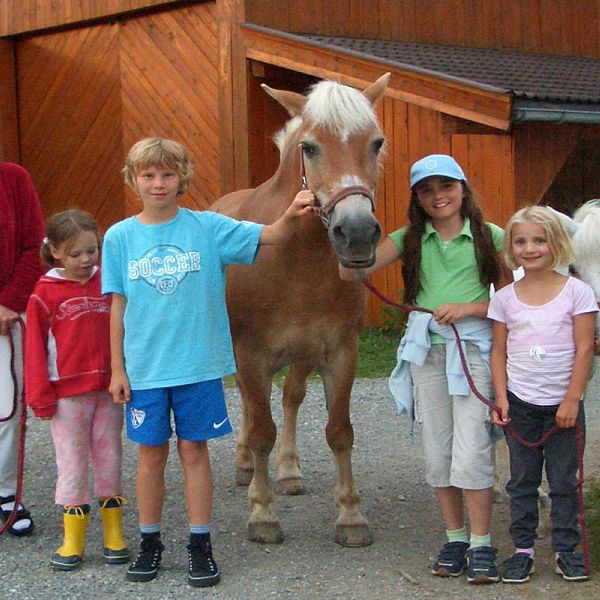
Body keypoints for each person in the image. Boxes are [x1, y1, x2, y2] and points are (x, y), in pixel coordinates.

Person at [102, 138, 314, 587]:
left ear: (182, 178)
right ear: (133, 179)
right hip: (145, 370)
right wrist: (118, 368)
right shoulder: (119, 237)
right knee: (149, 457)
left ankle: (201, 545)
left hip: (197, 367)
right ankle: (150, 542)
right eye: (148, 175)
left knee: (195, 452)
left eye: (166, 174)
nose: (157, 183)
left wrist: (293, 210)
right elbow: (117, 306)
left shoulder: (208, 228)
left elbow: (270, 235)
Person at [340, 154, 509, 584]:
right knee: (438, 451)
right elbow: (349, 270)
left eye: (446, 186)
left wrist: (472, 308)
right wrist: (342, 221)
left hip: (472, 352)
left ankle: (482, 544)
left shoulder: (490, 236)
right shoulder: (410, 238)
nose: (439, 197)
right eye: (427, 190)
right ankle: (455, 538)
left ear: (463, 189)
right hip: (427, 355)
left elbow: (522, 295)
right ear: (417, 198)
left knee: (473, 449)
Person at [488, 206, 597, 584]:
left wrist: (572, 399)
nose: (530, 249)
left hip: (563, 407)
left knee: (565, 481)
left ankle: (568, 549)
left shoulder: (577, 293)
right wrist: (501, 399)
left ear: (557, 244)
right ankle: (523, 550)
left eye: (539, 240)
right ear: (511, 248)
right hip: (520, 405)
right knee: (522, 481)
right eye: (521, 241)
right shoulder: (504, 298)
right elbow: (498, 351)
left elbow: (584, 348)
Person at [25, 209, 128, 570]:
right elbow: (34, 350)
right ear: (54, 252)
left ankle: (113, 534)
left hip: (107, 390)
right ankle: (74, 538)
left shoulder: (109, 283)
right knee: (71, 463)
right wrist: (39, 396)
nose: (86, 260)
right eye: (75, 254)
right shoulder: (44, 294)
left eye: (92, 251)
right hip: (67, 396)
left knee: (110, 456)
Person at [0, 162, 44, 537]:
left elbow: (34, 245)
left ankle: (5, 493)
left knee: (5, 409)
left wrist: (11, 301)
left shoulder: (14, 179)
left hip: (4, 316)